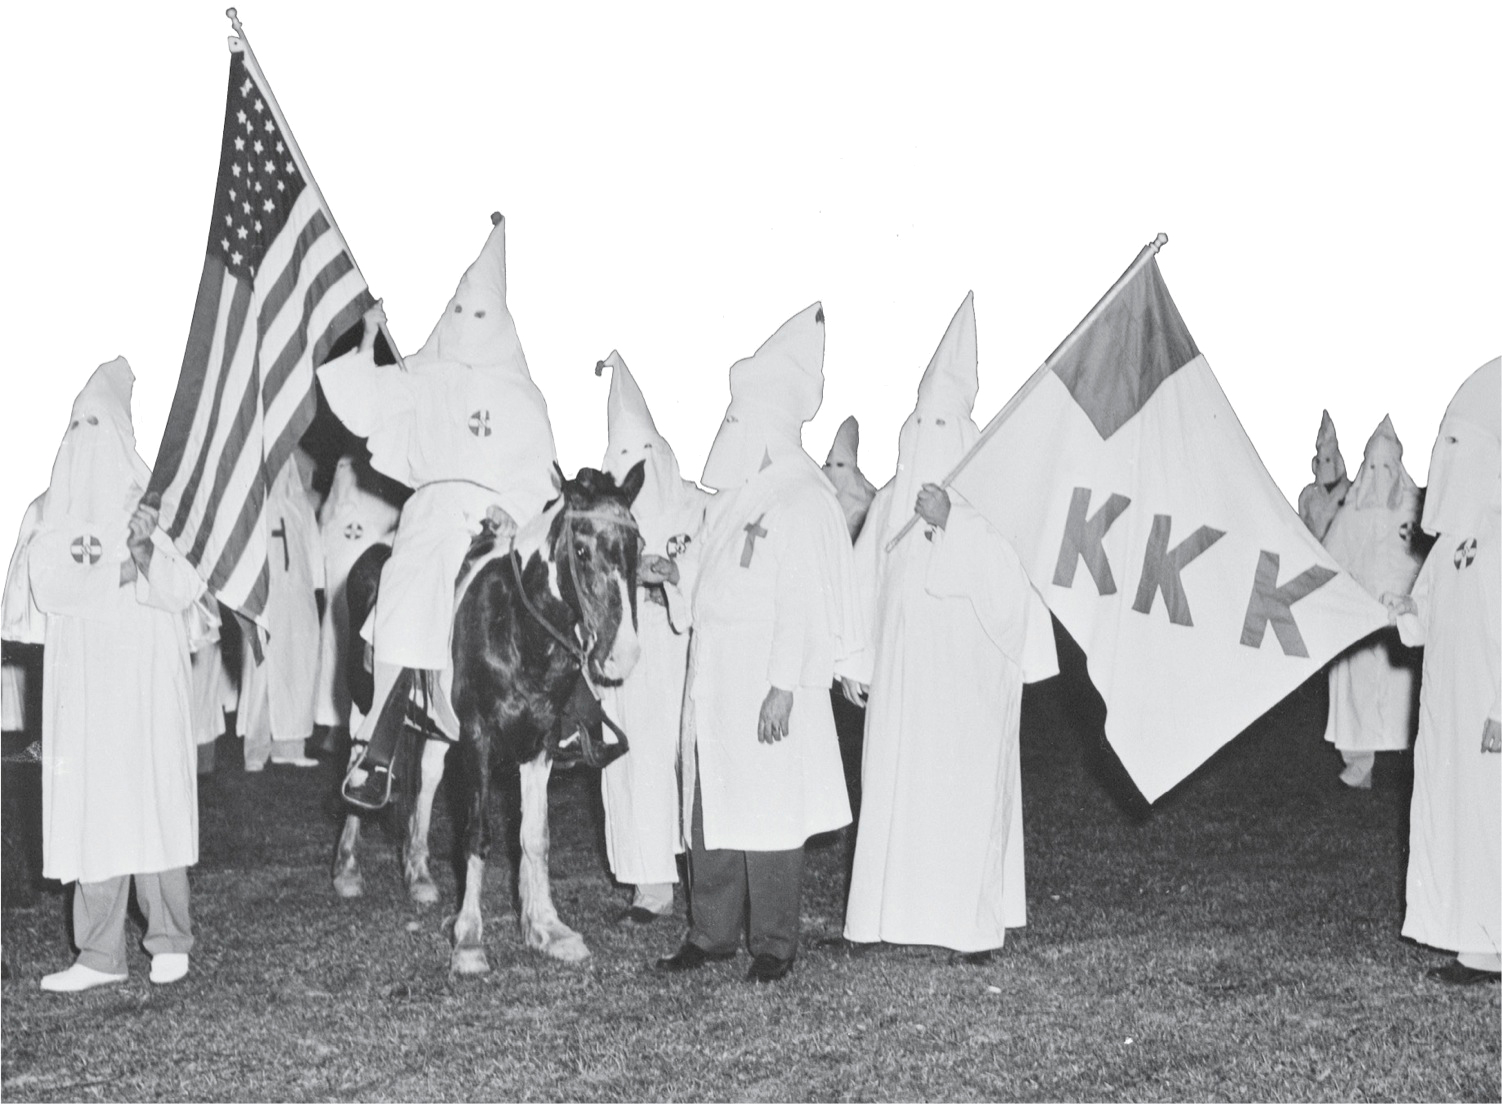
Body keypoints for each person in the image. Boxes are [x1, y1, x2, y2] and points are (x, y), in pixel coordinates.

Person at [840, 292, 1057, 962]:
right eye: (920, 424)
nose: (927, 438)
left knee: (959, 793)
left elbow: (1011, 585)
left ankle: (966, 924)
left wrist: (952, 524)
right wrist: (857, 662)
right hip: (904, 682)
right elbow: (863, 584)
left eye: (942, 425)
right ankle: (888, 916)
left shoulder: (987, 503)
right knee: (898, 786)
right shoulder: (887, 503)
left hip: (967, 682)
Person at [652, 302, 861, 983]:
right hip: (717, 679)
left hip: (767, 683)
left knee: (770, 810)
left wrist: (783, 684)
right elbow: (708, 567)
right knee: (713, 806)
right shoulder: (739, 497)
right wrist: (670, 578)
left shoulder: (800, 499)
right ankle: (710, 932)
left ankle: (773, 941)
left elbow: (802, 600)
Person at [317, 213, 558, 804]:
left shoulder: (524, 395)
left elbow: (539, 472)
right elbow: (370, 401)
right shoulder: (424, 373)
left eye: (482, 316)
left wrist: (512, 510)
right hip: (431, 512)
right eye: (462, 313)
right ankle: (377, 751)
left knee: (553, 595)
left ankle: (575, 717)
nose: (470, 326)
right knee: (405, 589)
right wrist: (371, 336)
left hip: (499, 519)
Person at [4, 358, 203, 991]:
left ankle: (170, 937)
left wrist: (145, 551)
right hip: (83, 685)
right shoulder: (48, 510)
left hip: (146, 678)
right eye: (77, 426)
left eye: (99, 425)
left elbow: (186, 587)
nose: (87, 440)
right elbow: (51, 585)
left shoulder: (156, 507)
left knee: (151, 800)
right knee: (94, 808)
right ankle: (99, 954)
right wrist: (120, 570)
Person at [1383, 357, 1500, 985]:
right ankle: (1470, 938)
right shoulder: (1452, 541)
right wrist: (1398, 612)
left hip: (1488, 711)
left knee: (1491, 817)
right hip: (1449, 706)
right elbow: (1424, 621)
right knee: (1456, 813)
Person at [594, 351, 709, 924]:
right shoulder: (609, 516)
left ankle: (691, 873)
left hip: (678, 654)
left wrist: (674, 579)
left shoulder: (695, 507)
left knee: (675, 759)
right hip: (628, 659)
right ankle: (647, 880)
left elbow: (713, 573)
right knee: (630, 761)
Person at [1320, 416, 1423, 788]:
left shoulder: (1414, 510)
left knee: (1403, 692)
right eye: (1373, 467)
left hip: (1403, 615)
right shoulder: (1354, 512)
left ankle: (1409, 758)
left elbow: (1424, 560)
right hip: (1362, 615)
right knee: (1358, 690)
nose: (1380, 476)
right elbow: (1333, 557)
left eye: (1387, 467)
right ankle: (1359, 762)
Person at [237, 449, 322, 770]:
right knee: (263, 673)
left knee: (297, 669)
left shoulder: (302, 507)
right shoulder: (256, 507)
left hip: (298, 600)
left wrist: (315, 591)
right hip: (266, 598)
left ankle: (290, 746)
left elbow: (313, 556)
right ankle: (256, 749)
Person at [312, 453, 400, 747]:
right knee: (330, 662)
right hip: (333, 606)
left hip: (361, 599)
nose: (344, 475)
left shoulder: (376, 508)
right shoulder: (329, 515)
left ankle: (355, 727)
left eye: (349, 468)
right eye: (339, 468)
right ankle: (330, 726)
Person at [822, 415, 878, 541]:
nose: (833, 471)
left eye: (840, 465)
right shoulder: (819, 492)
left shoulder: (866, 500)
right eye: (828, 465)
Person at [1298, 410, 1351, 541]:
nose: (1324, 467)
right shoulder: (1308, 495)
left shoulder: (1349, 492)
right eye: (1320, 461)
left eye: (1327, 460)